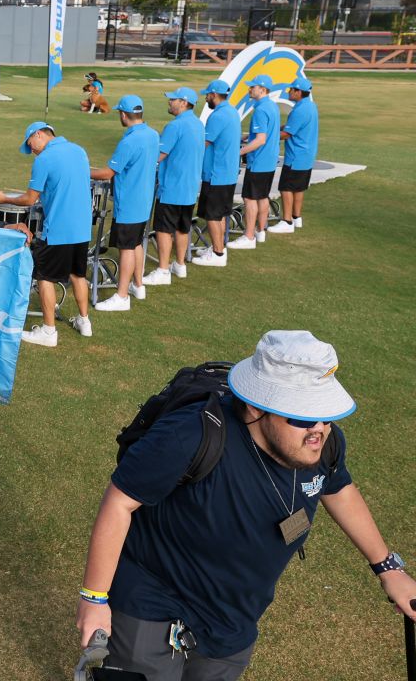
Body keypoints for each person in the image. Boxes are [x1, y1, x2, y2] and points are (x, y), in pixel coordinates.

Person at [75, 330, 416, 679]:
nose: (319, 429)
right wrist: (94, 598)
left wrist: (387, 567)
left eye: (326, 415)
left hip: (234, 616)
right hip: (153, 596)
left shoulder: (324, 444)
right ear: (256, 406)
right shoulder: (188, 436)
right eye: (302, 417)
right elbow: (119, 503)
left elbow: (339, 488)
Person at [0, 122, 93, 346]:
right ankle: (84, 322)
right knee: (78, 274)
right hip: (82, 227)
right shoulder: (79, 150)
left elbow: (30, 199)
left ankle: (48, 332)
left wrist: (4, 198)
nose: (32, 151)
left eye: (31, 146)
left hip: (58, 229)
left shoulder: (44, 159)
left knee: (44, 276)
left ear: (38, 135)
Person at [90, 96, 159, 312]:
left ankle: (122, 296)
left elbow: (107, 173)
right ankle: (138, 285)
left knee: (127, 247)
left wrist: (81, 170)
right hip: (144, 200)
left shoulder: (129, 141)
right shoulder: (153, 134)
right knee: (137, 242)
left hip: (129, 202)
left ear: (123, 114)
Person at [144, 87, 205, 285]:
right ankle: (179, 265)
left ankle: (163, 270)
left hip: (172, 186)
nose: (170, 102)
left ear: (184, 102)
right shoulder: (197, 124)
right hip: (189, 187)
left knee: (163, 229)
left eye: (173, 100)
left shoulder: (174, 126)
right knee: (182, 227)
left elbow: (159, 156)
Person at [195, 79, 242, 266]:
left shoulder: (218, 116)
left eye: (207, 94)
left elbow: (204, 143)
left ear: (214, 95)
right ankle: (218, 246)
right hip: (227, 173)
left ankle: (218, 254)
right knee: (220, 214)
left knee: (213, 215)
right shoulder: (231, 112)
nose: (206, 98)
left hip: (217, 174)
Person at [232, 74, 280, 249]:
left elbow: (260, 140)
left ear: (262, 89)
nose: (249, 89)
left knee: (250, 197)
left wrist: (239, 152)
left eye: (253, 87)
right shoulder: (271, 106)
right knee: (262, 196)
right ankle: (260, 232)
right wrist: (247, 137)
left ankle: (249, 236)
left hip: (259, 160)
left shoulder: (260, 110)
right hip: (269, 160)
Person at [270, 77, 317, 233]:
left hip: (295, 156)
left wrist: (267, 137)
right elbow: (292, 127)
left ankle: (287, 221)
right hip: (306, 156)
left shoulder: (299, 110)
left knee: (286, 188)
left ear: (298, 92)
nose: (289, 92)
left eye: (292, 90)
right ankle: (296, 218)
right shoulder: (310, 106)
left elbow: (287, 134)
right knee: (298, 188)